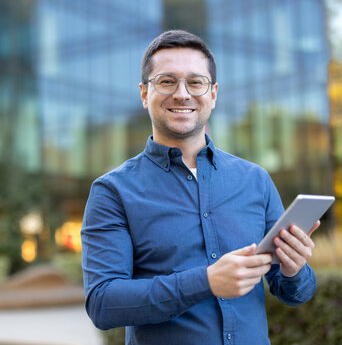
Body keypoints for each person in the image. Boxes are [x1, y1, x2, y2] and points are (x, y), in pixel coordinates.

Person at [81, 30, 318, 345]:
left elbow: (295, 293)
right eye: (167, 81)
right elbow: (103, 304)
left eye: (195, 82)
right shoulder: (113, 192)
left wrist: (294, 269)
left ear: (214, 93)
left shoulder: (255, 181)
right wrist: (206, 281)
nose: (182, 94)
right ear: (143, 93)